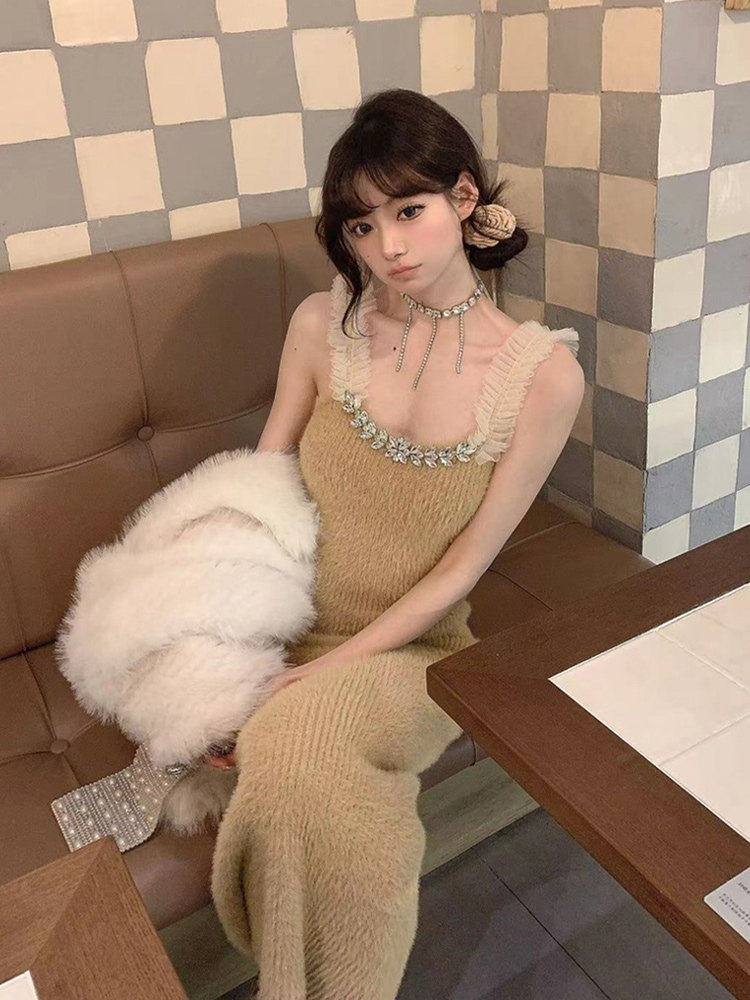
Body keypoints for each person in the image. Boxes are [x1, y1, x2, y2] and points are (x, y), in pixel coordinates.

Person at [209, 88, 584, 1000]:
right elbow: (263, 490)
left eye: (409, 211)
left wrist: (316, 677)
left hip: (415, 648)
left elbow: (463, 567)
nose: (389, 248)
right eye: (362, 225)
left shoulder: (543, 375)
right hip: (287, 618)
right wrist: (234, 646)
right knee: (299, 769)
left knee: (296, 749)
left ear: (464, 198)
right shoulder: (320, 324)